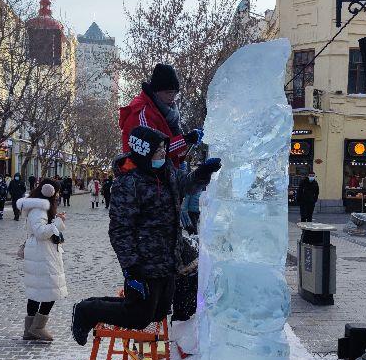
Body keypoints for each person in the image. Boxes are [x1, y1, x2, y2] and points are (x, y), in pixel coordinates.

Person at [71, 125, 221, 345]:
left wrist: (201, 174)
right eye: (158, 150)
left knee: (159, 312)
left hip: (168, 257)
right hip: (144, 261)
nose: (163, 153)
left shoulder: (166, 170)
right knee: (139, 317)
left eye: (163, 148)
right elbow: (120, 229)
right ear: (144, 152)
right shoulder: (128, 181)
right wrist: (131, 268)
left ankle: (94, 305)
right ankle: (86, 311)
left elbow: (184, 185)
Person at [119, 63, 203, 169]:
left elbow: (168, 150)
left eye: (174, 93)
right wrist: (186, 139)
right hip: (140, 177)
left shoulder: (165, 112)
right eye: (168, 93)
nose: (172, 97)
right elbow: (154, 152)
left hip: (158, 175)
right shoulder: (142, 113)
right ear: (156, 91)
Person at [18, 179, 67, 342]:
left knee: (37, 291)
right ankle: (37, 328)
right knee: (50, 289)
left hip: (41, 252)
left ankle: (30, 329)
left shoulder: (39, 207)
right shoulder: (39, 209)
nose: (58, 195)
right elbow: (40, 232)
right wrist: (58, 224)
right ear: (49, 191)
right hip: (42, 253)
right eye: (57, 192)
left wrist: (54, 220)